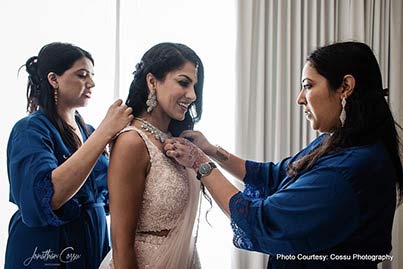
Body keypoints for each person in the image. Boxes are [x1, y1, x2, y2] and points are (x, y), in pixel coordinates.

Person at [164, 41, 402, 268]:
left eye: (308, 85)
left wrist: (201, 163)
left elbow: (264, 221)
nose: (300, 99)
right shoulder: (336, 143)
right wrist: (212, 151)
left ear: (345, 87)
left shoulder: (352, 167)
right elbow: (274, 175)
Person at [5, 42, 133, 269]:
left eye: (92, 76)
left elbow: (110, 196)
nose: (91, 83)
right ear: (53, 79)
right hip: (47, 249)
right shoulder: (30, 130)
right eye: (82, 75)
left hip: (93, 242)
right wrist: (104, 133)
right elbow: (49, 197)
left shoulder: (90, 132)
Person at [99, 42, 204, 269]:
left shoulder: (176, 139)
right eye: (183, 83)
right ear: (152, 81)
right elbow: (121, 244)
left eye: (195, 86)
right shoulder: (132, 142)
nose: (193, 95)